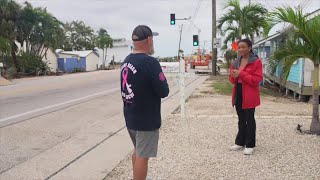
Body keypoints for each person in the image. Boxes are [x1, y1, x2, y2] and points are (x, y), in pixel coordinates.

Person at [120, 25, 169, 180]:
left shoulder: (126, 61)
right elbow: (163, 91)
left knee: (138, 150)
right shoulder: (150, 62)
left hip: (130, 117)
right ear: (149, 40)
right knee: (143, 156)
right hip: (146, 120)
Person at [229, 39, 263, 155]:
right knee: (241, 118)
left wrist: (241, 74)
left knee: (250, 119)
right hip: (238, 91)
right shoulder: (236, 62)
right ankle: (240, 142)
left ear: (249, 48)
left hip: (250, 93)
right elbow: (232, 80)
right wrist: (233, 75)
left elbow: (256, 80)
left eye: (243, 47)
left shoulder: (256, 62)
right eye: (239, 47)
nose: (241, 49)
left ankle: (250, 144)